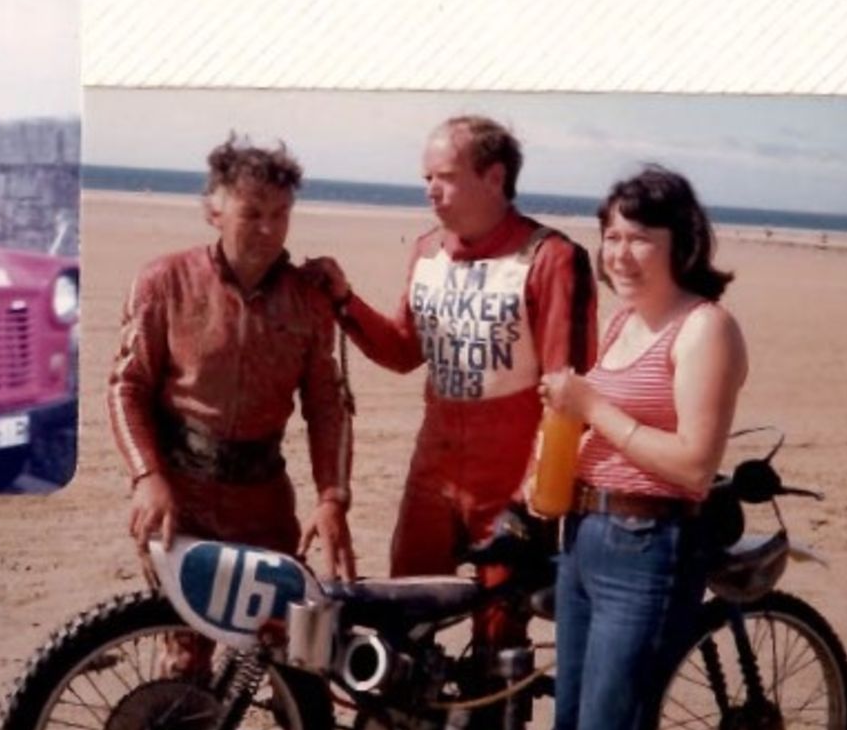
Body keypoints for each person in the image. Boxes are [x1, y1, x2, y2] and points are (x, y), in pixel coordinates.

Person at [308, 115, 597, 579]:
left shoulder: (550, 258)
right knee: (404, 614)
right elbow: (404, 352)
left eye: (445, 178)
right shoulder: (426, 251)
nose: (430, 190)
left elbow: (571, 394)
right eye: (427, 179)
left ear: (495, 177)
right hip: (433, 475)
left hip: (511, 482)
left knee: (499, 636)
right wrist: (345, 300)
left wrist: (536, 493)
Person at [540, 165, 748, 730]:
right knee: (572, 728)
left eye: (639, 239)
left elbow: (693, 467)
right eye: (611, 237)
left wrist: (593, 407)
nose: (620, 254)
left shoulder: (705, 328)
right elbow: (600, 426)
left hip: (647, 546)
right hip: (582, 535)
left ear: (680, 243)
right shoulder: (622, 322)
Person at [107, 136, 357, 587]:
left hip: (264, 503)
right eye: (252, 214)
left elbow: (328, 406)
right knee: (183, 652)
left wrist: (332, 498)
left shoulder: (308, 301)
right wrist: (147, 477)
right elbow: (128, 386)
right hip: (180, 499)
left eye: (280, 214)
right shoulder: (163, 283)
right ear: (214, 212)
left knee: (276, 645)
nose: (268, 229)